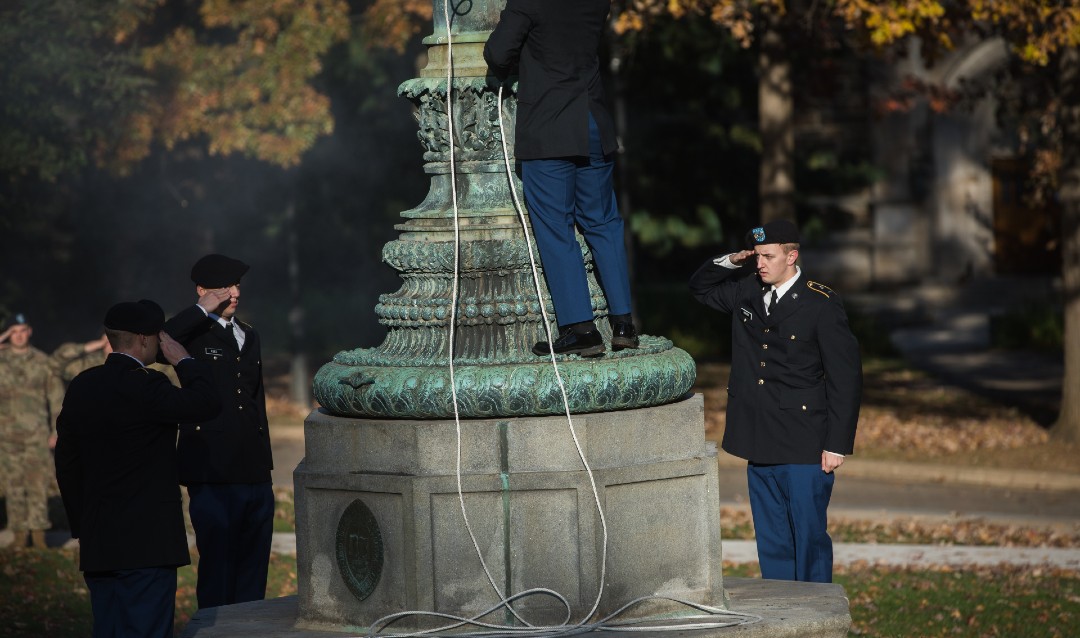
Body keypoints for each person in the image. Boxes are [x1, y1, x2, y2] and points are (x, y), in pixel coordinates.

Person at [688, 219, 862, 583]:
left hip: (804, 442)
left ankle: (816, 619)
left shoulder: (821, 303)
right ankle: (783, 616)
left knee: (809, 541)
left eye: (768, 256)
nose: (760, 263)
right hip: (758, 438)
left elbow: (845, 379)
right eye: (757, 256)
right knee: (773, 544)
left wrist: (837, 445)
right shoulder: (747, 291)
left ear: (792, 256)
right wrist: (732, 261)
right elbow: (700, 289)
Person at [55, 299, 221, 638]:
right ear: (145, 340)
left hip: (100, 538)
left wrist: (82, 524)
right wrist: (184, 361)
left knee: (108, 628)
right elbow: (207, 403)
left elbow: (67, 463)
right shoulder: (148, 386)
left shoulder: (82, 386)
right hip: (147, 543)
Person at [484, 0, 639, 357]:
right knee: (604, 223)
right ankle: (623, 323)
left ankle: (580, 329)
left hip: (549, 128)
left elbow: (498, 53)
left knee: (556, 228)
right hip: (593, 124)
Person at [164, 253, 274, 608]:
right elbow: (158, 339)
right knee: (218, 568)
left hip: (253, 469)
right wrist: (200, 309)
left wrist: (265, 466)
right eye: (225, 286)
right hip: (211, 468)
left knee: (253, 570)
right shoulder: (191, 334)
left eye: (238, 285)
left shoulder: (249, 335)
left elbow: (255, 401)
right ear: (203, 290)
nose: (235, 292)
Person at [0, 314, 66, 549]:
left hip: (36, 435)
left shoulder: (42, 361)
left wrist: (55, 432)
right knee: (14, 485)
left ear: (30, 332)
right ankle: (19, 534)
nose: (19, 335)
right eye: (13, 331)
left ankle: (38, 536)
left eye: (22, 330)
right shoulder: (2, 359)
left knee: (37, 485)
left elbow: (56, 399)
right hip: (6, 436)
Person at [52, 332, 180, 387]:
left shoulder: (143, 363)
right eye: (108, 342)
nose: (112, 345)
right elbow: (55, 364)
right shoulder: (90, 365)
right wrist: (88, 347)